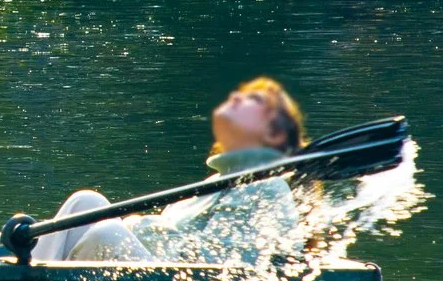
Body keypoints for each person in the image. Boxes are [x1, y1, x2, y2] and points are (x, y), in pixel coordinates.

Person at [36, 77, 310, 264]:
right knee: (86, 202)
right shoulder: (212, 185)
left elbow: (223, 264)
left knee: (107, 234)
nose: (236, 99)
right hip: (156, 275)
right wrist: (143, 228)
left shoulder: (267, 188)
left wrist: (142, 227)